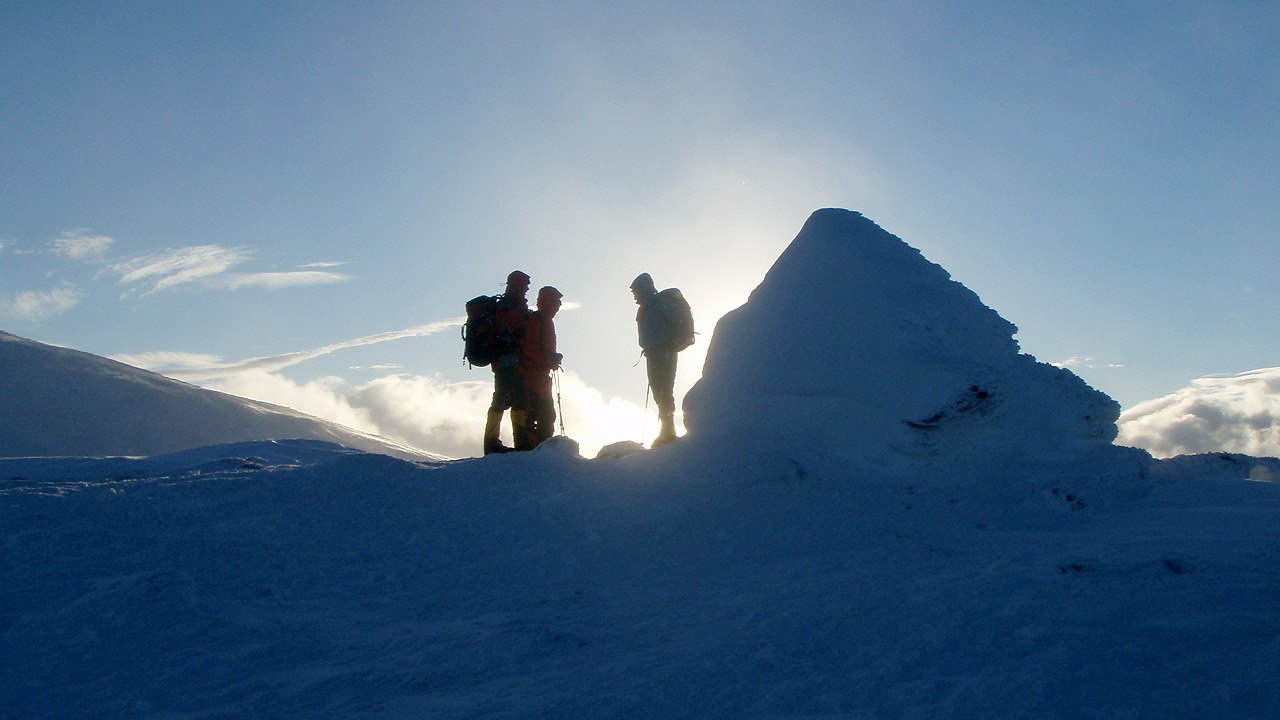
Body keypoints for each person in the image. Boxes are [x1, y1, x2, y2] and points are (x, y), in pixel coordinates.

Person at [630, 272, 689, 447]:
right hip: (655, 353)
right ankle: (666, 429)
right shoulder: (648, 307)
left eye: (636, 292)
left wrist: (672, 344)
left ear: (644, 289)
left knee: (664, 390)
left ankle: (668, 431)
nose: (635, 296)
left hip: (664, 353)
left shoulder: (659, 304)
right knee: (659, 392)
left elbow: (679, 324)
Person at [483, 270, 533, 455]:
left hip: (504, 360)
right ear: (518, 284)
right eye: (525, 285)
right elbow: (513, 329)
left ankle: (498, 442)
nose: (527, 288)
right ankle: (496, 443)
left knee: (515, 399)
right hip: (508, 359)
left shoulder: (506, 303)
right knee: (504, 400)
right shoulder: (511, 304)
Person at [520, 286, 563, 447]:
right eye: (556, 303)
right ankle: (536, 450)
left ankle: (537, 447)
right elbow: (531, 349)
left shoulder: (542, 320)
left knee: (543, 415)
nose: (558, 306)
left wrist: (551, 359)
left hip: (538, 377)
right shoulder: (538, 321)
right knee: (540, 414)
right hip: (534, 377)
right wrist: (549, 361)